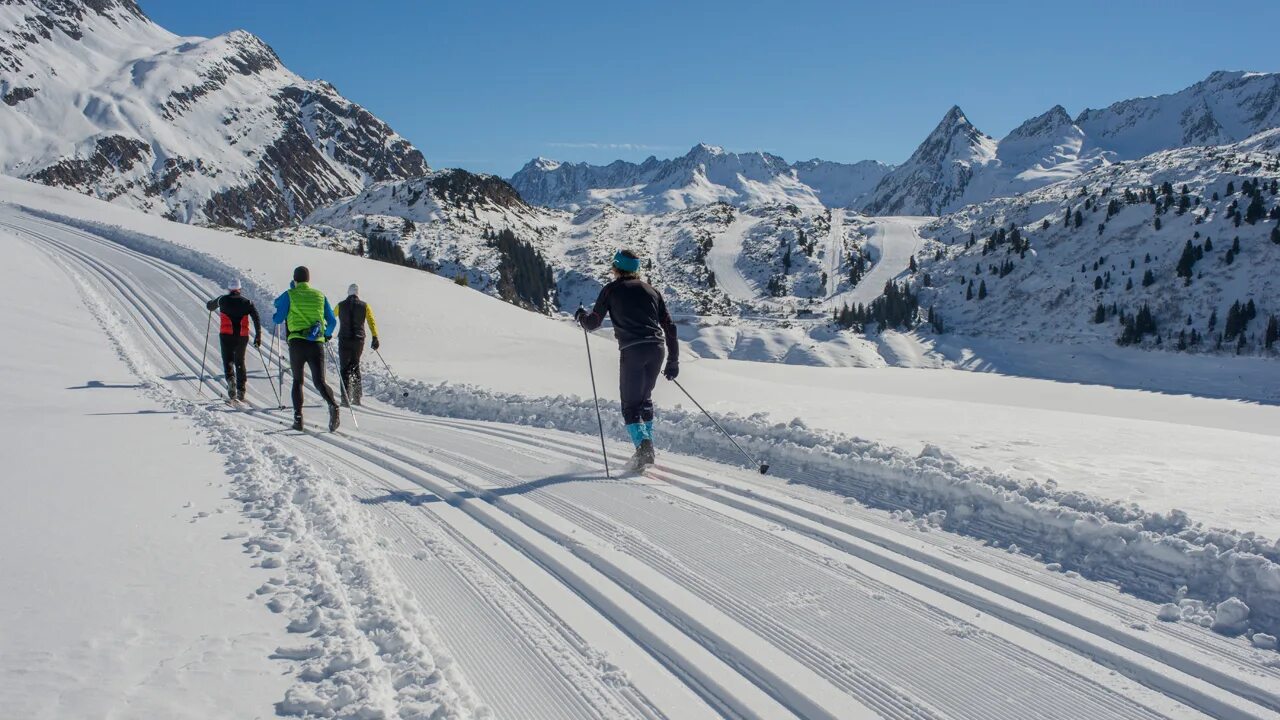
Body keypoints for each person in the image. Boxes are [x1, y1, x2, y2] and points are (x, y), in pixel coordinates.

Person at [575, 249, 679, 469]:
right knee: (645, 399)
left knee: (630, 405)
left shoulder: (611, 290)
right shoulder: (652, 291)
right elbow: (669, 327)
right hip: (657, 349)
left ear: (615, 267)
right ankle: (645, 446)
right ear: (636, 269)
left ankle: (644, 448)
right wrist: (673, 361)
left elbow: (593, 323)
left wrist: (581, 317)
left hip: (633, 350)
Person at [273, 266, 340, 432]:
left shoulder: (290, 294)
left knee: (298, 381)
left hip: (297, 342)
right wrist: (327, 334)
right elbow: (332, 321)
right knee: (319, 381)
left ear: (295, 279)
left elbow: (278, 317)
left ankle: (298, 419)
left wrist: (287, 296)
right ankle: (333, 406)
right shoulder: (320, 295)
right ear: (308, 280)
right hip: (316, 343)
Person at [205, 278, 261, 402]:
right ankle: (241, 390)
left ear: (229, 289)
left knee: (228, 360)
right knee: (240, 361)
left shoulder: (222, 299)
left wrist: (209, 304)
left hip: (226, 335)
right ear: (239, 289)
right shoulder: (248, 302)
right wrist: (258, 336)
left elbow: (210, 306)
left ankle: (231, 380)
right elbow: (256, 318)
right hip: (242, 336)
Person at [334, 284, 380, 407]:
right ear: (357, 293)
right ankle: (357, 396)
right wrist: (375, 337)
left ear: (348, 292)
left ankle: (345, 398)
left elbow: (332, 317)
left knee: (344, 368)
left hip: (344, 339)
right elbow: (371, 321)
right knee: (355, 365)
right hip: (358, 340)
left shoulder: (340, 305)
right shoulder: (365, 306)